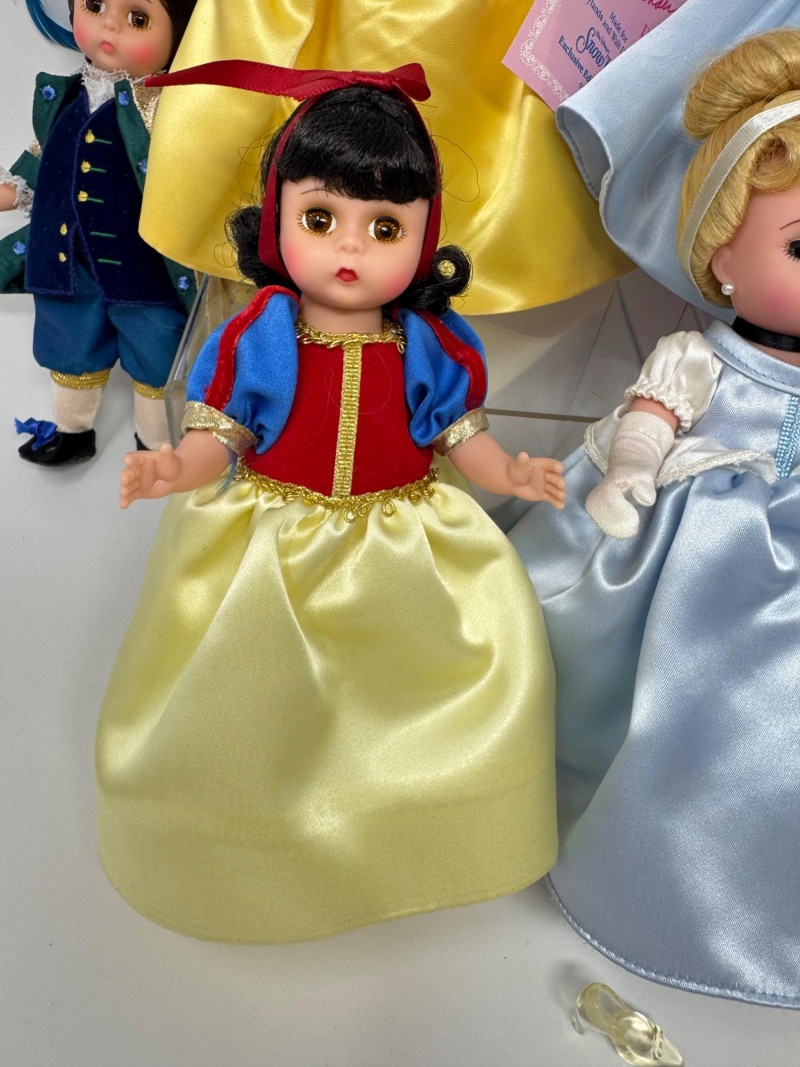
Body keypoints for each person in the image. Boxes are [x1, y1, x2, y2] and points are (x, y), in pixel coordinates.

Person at [95, 61, 565, 943]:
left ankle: (408, 838)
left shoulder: (427, 342)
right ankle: (254, 845)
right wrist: (174, 468)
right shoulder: (262, 334)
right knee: (253, 700)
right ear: (277, 219)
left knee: (416, 697)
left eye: (384, 227)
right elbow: (222, 437)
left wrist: (511, 474)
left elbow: (459, 436)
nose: (351, 249)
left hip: (405, 545)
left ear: (424, 238)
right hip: (273, 547)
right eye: (321, 219)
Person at [508, 29, 800, 1008]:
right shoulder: (700, 357)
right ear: (721, 254)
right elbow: (651, 417)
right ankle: (650, 833)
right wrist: (632, 464)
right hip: (701, 549)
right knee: (680, 674)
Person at [0, 0, 197, 465]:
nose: (109, 23)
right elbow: (40, 161)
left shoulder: (165, 110)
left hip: (141, 264)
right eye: (94, 4)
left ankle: (154, 442)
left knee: (155, 348)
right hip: (65, 257)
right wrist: (9, 192)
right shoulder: (64, 99)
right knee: (67, 341)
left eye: (138, 19)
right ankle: (72, 431)